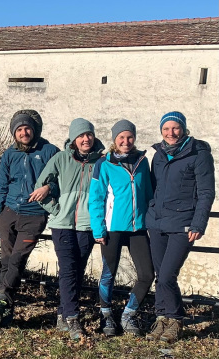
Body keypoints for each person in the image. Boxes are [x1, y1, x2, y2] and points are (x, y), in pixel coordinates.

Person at [145, 112, 215, 343]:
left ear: (183, 129)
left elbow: (206, 193)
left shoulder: (199, 155)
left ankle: (175, 320)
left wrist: (199, 222)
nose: (170, 133)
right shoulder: (159, 155)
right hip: (156, 223)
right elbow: (153, 187)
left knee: (167, 275)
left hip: (183, 224)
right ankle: (161, 318)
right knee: (160, 276)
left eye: (175, 128)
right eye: (166, 128)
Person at [0, 110, 59, 327]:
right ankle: (4, 313)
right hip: (9, 212)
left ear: (34, 129)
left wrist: (49, 187)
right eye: (19, 129)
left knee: (18, 258)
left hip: (34, 214)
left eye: (27, 128)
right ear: (14, 133)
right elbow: (2, 185)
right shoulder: (9, 154)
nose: (24, 132)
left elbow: (62, 178)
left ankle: (1, 298)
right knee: (7, 261)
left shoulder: (49, 151)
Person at [36, 118, 104, 340]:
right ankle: (73, 318)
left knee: (78, 270)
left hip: (87, 226)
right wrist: (54, 209)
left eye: (89, 135)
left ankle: (62, 314)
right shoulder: (61, 158)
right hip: (62, 224)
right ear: (74, 139)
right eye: (81, 136)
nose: (86, 139)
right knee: (68, 269)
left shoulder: (101, 163)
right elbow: (40, 187)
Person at [89, 119, 154, 337]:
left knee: (146, 274)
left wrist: (152, 222)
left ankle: (128, 314)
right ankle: (106, 315)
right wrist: (98, 229)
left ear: (134, 138)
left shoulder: (142, 161)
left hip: (138, 228)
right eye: (121, 138)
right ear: (115, 140)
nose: (126, 141)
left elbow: (148, 194)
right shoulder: (104, 163)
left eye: (129, 137)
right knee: (109, 274)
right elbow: (96, 198)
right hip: (112, 227)